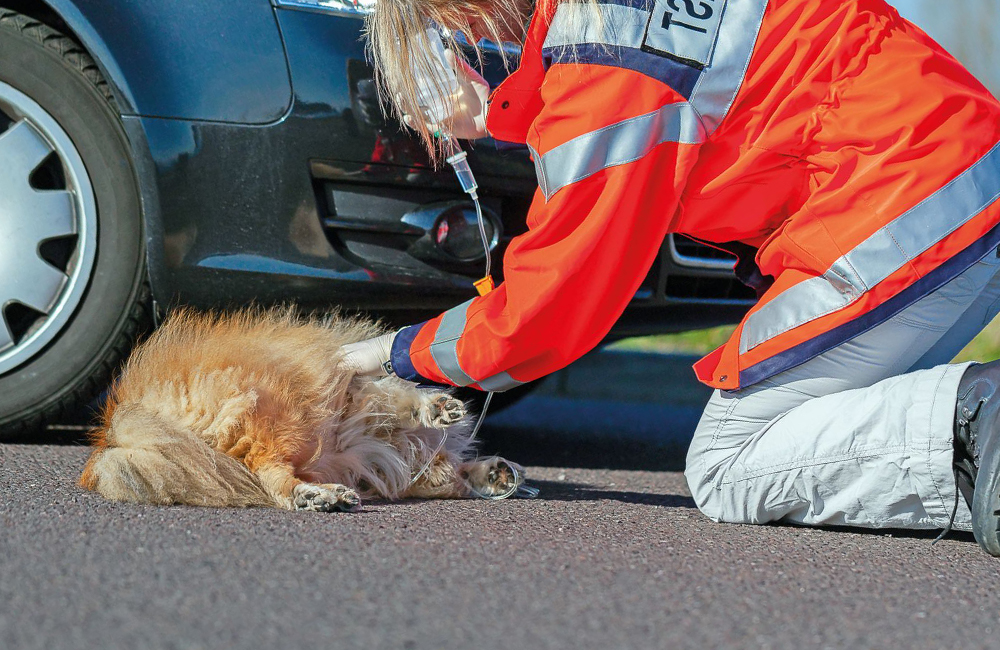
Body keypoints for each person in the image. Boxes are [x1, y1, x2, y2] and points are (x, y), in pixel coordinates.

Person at [343, 0, 1000, 555]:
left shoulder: (602, 60)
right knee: (832, 427)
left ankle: (976, 419)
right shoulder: (613, 32)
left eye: (449, 21)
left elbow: (552, 305)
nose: (477, 40)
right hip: (957, 167)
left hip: (906, 207)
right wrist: (502, 115)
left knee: (732, 464)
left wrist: (396, 352)